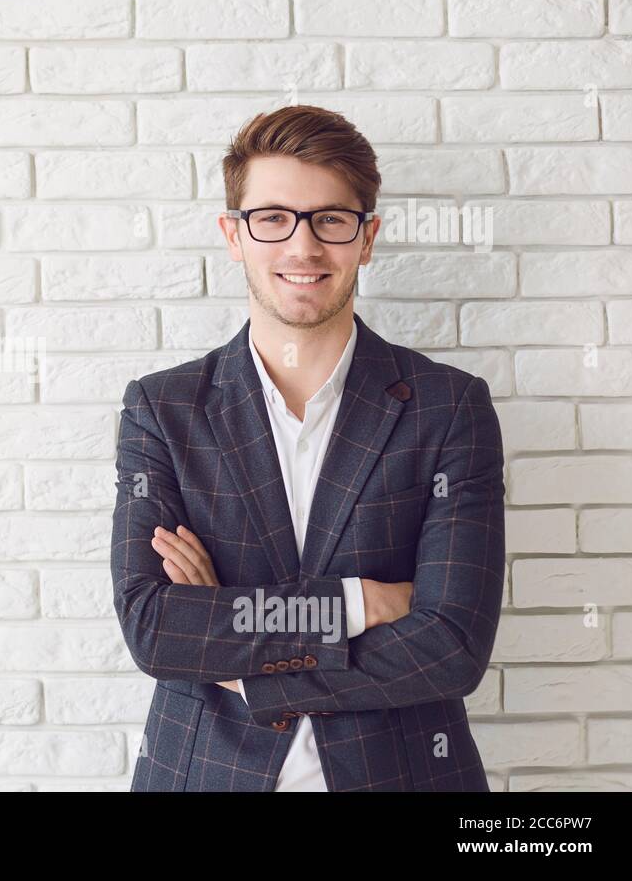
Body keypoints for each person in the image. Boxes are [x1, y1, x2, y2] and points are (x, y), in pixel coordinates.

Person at [112, 105, 505, 791]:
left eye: (330, 219)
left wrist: (235, 655)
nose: (302, 247)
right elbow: (155, 626)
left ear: (367, 236)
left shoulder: (449, 408)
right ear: (233, 236)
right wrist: (355, 603)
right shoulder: (163, 410)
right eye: (272, 218)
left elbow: (453, 647)